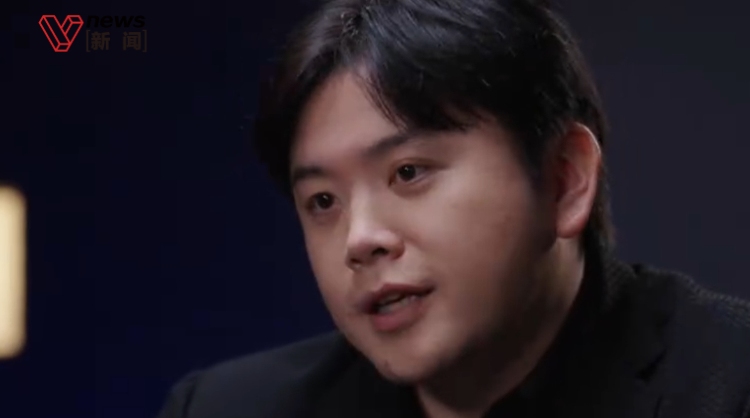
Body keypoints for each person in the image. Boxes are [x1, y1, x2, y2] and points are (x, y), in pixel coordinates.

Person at [155, 0, 750, 417]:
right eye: (322, 201)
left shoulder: (729, 386)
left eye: (408, 172)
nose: (360, 239)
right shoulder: (224, 408)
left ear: (564, 180)